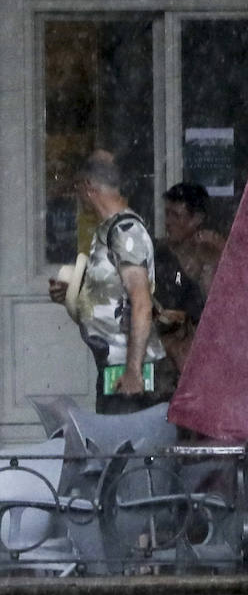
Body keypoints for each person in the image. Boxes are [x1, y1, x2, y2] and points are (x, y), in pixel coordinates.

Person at [48, 150, 168, 413]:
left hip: (130, 373)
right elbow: (114, 289)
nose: (78, 197)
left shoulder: (126, 232)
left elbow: (140, 302)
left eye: (78, 188)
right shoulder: (106, 230)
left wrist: (133, 371)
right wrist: (75, 293)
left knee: (123, 447)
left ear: (88, 187)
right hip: (112, 366)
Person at [155, 182, 224, 375]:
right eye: (166, 213)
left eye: (176, 215)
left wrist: (214, 261)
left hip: (204, 352)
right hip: (164, 350)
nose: (168, 222)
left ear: (197, 219)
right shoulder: (157, 254)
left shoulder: (212, 252)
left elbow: (219, 312)